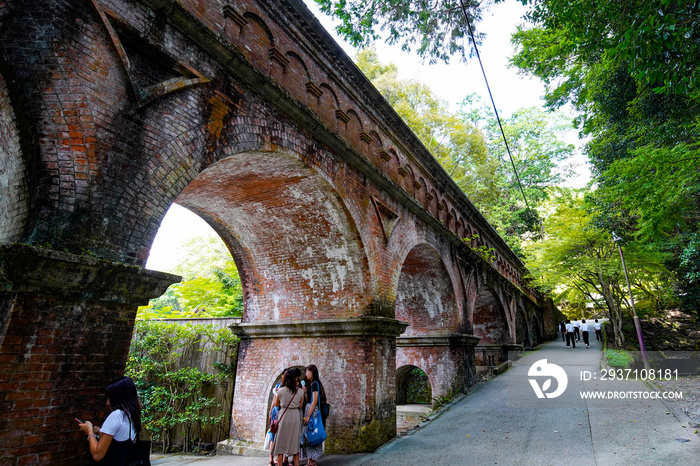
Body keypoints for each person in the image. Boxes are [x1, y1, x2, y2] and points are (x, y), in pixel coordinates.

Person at [77, 376, 141, 465]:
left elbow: (97, 455)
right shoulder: (131, 415)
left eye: (109, 398)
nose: (107, 403)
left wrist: (89, 431)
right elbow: (119, 441)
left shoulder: (116, 416)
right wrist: (100, 432)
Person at [272, 369, 303, 466]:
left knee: (280, 444)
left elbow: (276, 405)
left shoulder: (281, 391)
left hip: (284, 416)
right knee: (294, 443)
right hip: (295, 416)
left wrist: (278, 395)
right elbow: (300, 406)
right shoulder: (301, 391)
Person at [301, 364, 326, 466]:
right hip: (309, 410)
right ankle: (309, 460)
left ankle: (313, 461)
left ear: (312, 372)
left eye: (307, 371)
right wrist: (305, 392)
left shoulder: (315, 384)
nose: (306, 374)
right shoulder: (311, 384)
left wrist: (308, 415)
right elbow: (309, 399)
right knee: (308, 435)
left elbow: (315, 401)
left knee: (312, 433)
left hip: (312, 412)